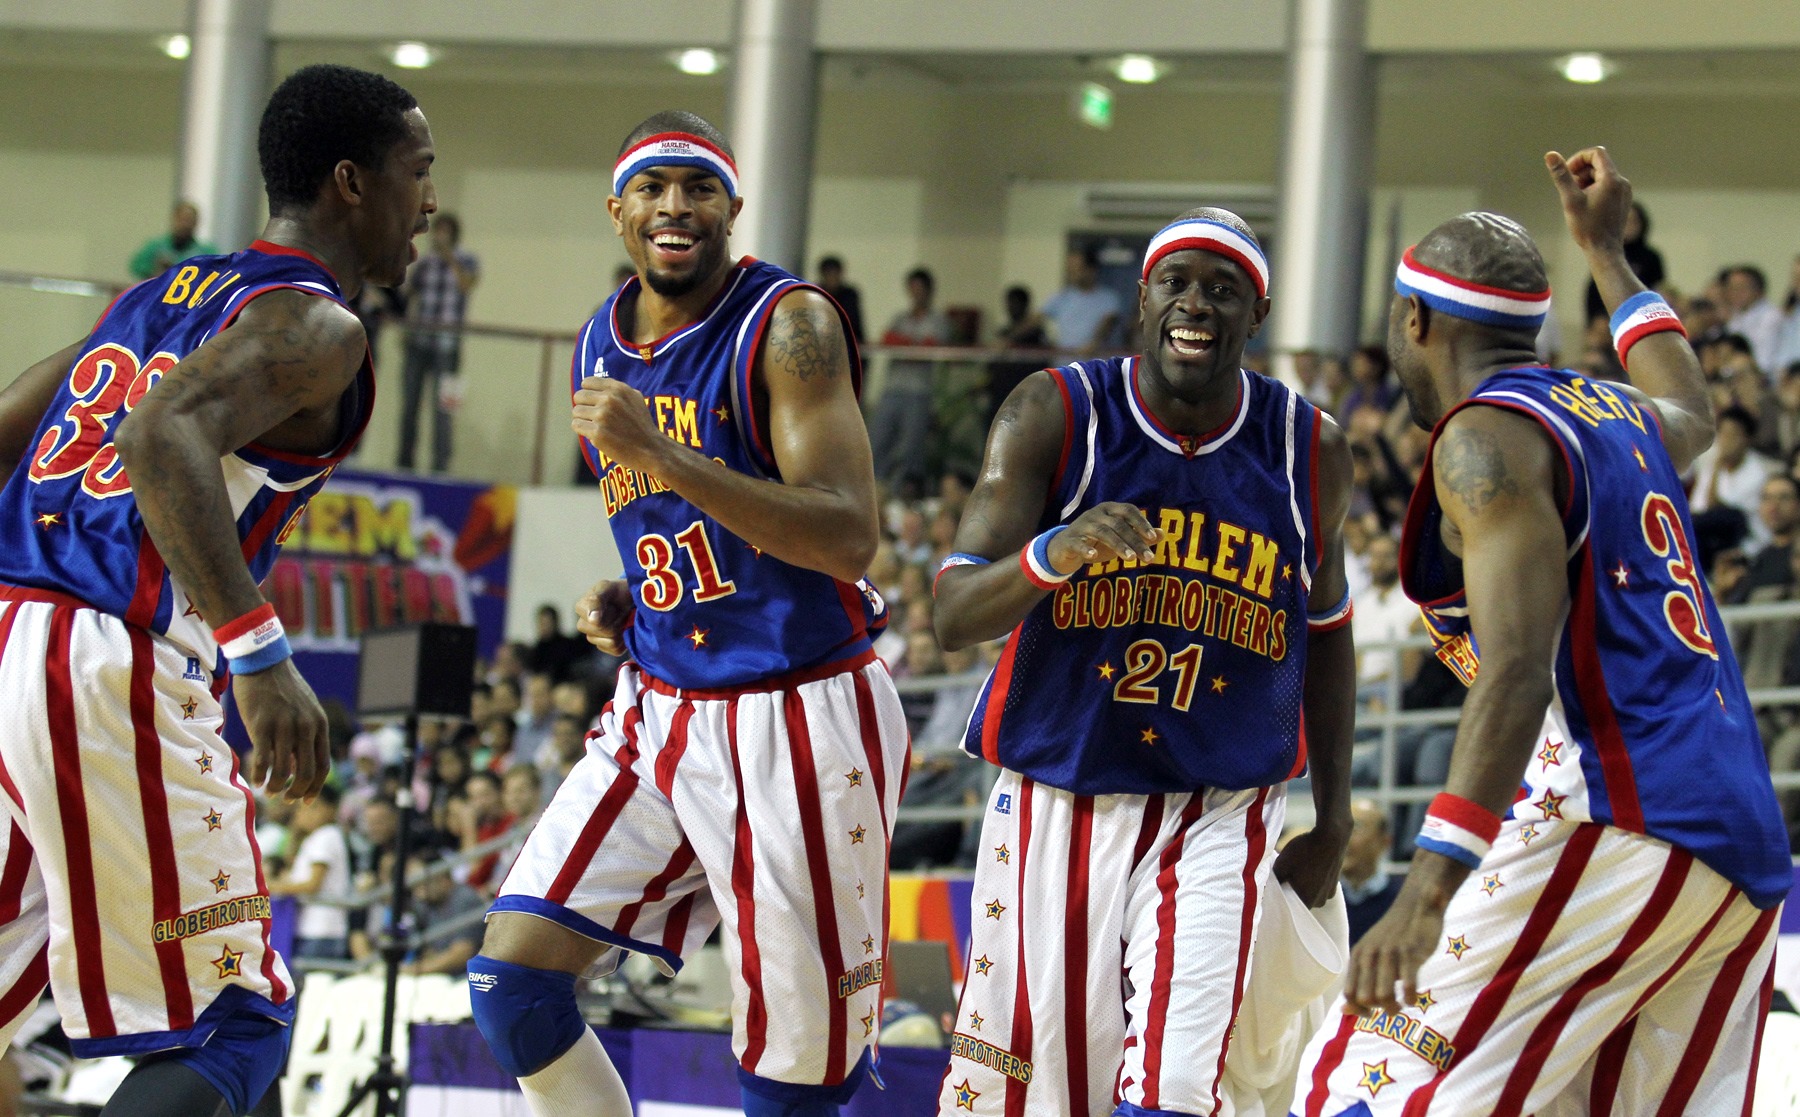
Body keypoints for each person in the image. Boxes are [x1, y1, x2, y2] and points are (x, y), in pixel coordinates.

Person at [1293, 148, 1788, 1116]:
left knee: (1361, 1091)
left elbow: (1516, 670)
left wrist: (1429, 887)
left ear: (1414, 321)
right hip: (1736, 839)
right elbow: (1692, 406)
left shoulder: (1484, 438)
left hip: (1618, 804)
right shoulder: (1614, 411)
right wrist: (1608, 252)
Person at [0, 63, 433, 1117]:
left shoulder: (158, 297)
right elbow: (163, 433)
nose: (430, 202)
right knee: (238, 1019)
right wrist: (258, 646)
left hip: (12, 631)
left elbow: (9, 424)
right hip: (102, 650)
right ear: (351, 183)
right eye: (418, 173)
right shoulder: (319, 326)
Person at [467, 110, 907, 1117]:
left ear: (732, 209)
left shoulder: (788, 323)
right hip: (662, 695)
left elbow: (846, 534)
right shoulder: (596, 338)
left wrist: (660, 454)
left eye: (700, 188)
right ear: (617, 209)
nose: (677, 207)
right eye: (655, 187)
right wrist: (641, 590)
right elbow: (688, 522)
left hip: (798, 709)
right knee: (512, 981)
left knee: (795, 1075)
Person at [931, 207, 1356, 1115]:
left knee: (1170, 1089)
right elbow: (954, 615)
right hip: (1062, 799)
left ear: (1258, 312)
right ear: (1143, 297)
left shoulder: (1306, 446)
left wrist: (1337, 812)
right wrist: (1054, 552)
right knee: (1047, 1094)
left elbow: (1329, 628)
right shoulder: (1055, 410)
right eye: (1176, 282)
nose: (1195, 303)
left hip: (1222, 807)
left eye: (1222, 288)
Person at [397, 211, 479, 472]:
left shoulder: (467, 260)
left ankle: (440, 466)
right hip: (419, 342)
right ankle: (404, 462)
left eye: (446, 231)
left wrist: (448, 257)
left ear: (454, 235)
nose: (440, 236)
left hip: (448, 346)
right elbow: (409, 293)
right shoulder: (424, 263)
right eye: (438, 231)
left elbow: (467, 284)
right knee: (410, 404)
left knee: (443, 410)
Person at [871, 267, 952, 496]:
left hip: (918, 392)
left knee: (910, 449)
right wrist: (911, 346)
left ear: (929, 291)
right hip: (892, 389)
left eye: (920, 289)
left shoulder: (938, 320)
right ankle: (877, 493)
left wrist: (905, 346)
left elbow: (929, 348)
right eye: (912, 288)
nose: (916, 293)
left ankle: (902, 495)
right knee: (878, 441)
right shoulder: (900, 317)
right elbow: (887, 340)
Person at [267, 784, 353, 963]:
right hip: (310, 927)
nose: (302, 814)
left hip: (322, 930)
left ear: (330, 810)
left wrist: (271, 886)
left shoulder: (326, 835)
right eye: (299, 809)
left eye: (313, 808)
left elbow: (313, 884)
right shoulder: (314, 838)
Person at [1035, 245, 1124, 356]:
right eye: (1070, 269)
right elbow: (1036, 318)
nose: (1072, 273)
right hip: (1064, 366)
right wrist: (1009, 338)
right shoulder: (1062, 296)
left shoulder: (1108, 298)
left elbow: (1107, 324)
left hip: (1094, 366)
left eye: (1077, 268)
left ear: (1091, 270)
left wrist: (1094, 343)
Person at [1340, 799, 1403, 946]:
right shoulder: (1320, 898)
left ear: (1384, 842)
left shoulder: (1401, 900)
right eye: (1341, 827)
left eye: (1356, 828)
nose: (1343, 838)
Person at [128, 199, 219, 280]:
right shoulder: (156, 246)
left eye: (189, 220)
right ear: (174, 219)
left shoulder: (206, 251)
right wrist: (156, 270)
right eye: (182, 219)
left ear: (196, 223)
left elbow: (217, 272)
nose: (185, 225)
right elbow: (136, 267)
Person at [816, 255, 866, 344]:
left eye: (835, 274)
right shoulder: (815, 293)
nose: (832, 278)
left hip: (848, 341)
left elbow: (854, 322)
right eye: (829, 274)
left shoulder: (849, 294)